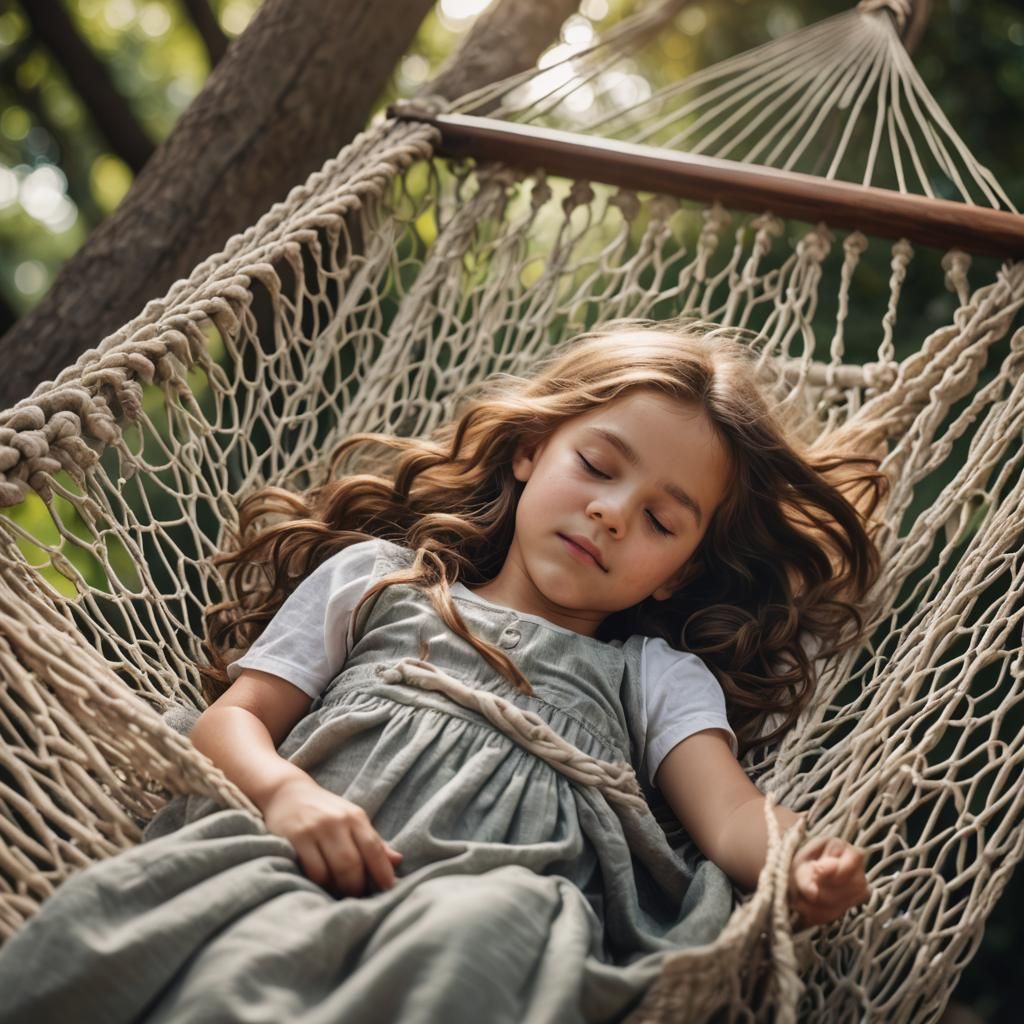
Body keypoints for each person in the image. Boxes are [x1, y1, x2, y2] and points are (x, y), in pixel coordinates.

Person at [0, 320, 887, 1023]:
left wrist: (797, 863)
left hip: (484, 914)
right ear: (530, 449)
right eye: (598, 467)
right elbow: (231, 722)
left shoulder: (656, 675)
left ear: (685, 569)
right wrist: (285, 796)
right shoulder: (378, 581)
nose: (613, 515)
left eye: (662, 522)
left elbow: (730, 812)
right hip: (294, 859)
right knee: (175, 943)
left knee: (489, 926)